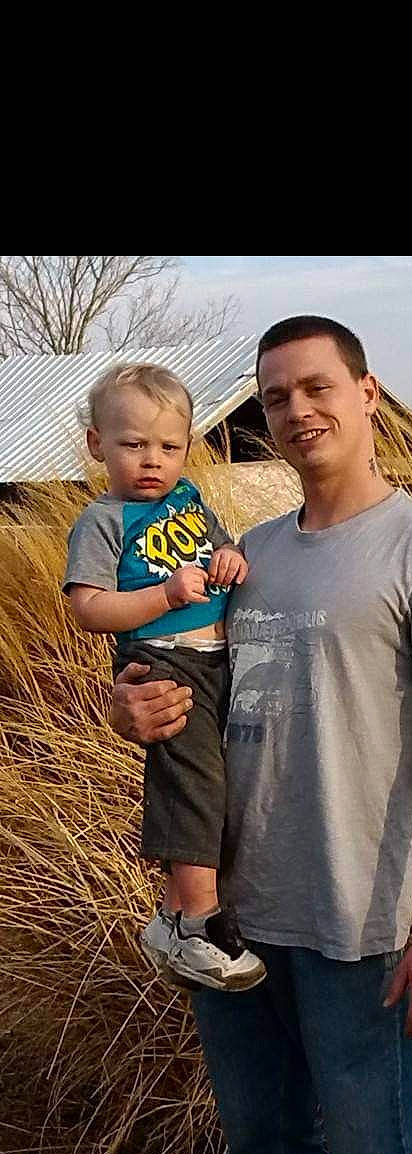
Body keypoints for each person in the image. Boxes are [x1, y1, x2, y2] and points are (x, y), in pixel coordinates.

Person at [110, 317, 412, 1154]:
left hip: (353, 927)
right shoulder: (242, 554)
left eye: (317, 386)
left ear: (367, 394)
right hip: (229, 926)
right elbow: (177, 683)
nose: (297, 409)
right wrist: (128, 707)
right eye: (278, 394)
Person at [62, 361, 266, 992]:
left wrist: (229, 557)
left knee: (212, 779)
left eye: (169, 446)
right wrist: (166, 597)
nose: (152, 460)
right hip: (163, 659)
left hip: (215, 658)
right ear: (98, 445)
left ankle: (174, 917)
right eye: (133, 445)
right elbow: (87, 608)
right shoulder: (103, 520)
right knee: (194, 782)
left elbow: (218, 548)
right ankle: (201, 924)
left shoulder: (189, 501)